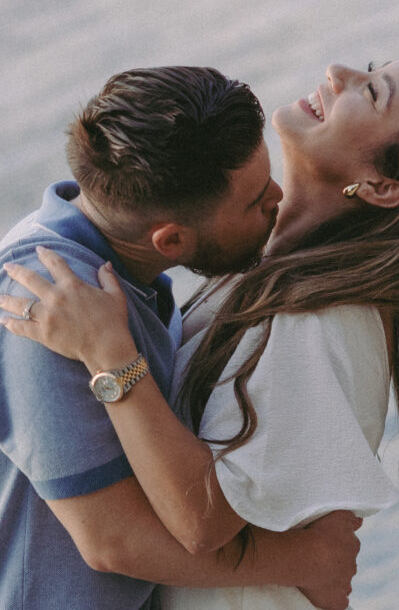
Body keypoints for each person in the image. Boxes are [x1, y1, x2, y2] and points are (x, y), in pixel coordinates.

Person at [1, 56, 399, 610]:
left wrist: (114, 359)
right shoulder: (222, 278)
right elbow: (121, 531)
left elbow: (199, 519)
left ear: (382, 186)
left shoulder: (317, 319)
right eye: (368, 68)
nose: (338, 73)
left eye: (373, 91)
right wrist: (299, 558)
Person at [0, 66, 361, 610]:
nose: (278, 196)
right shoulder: (51, 297)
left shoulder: (121, 270)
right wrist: (308, 560)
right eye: (254, 200)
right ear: (170, 240)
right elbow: (110, 540)